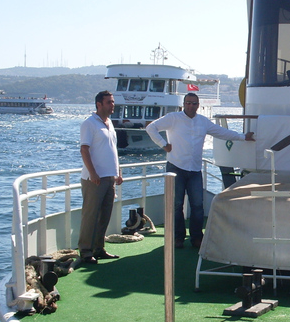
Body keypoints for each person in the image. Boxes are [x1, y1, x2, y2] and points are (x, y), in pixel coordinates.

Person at [146, 92, 249, 248]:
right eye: (188, 103)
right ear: (183, 104)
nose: (191, 106)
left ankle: (196, 238)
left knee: (198, 206)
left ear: (198, 105)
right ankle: (178, 237)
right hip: (176, 167)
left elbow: (222, 132)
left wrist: (243, 137)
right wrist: (163, 144)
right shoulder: (173, 118)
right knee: (176, 205)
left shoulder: (203, 122)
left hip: (194, 169)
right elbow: (151, 127)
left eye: (194, 103)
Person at [78, 90, 123, 264]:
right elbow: (84, 149)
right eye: (109, 102)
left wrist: (118, 172)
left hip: (109, 177)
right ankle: (85, 250)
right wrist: (92, 173)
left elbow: (113, 150)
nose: (113, 105)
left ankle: (99, 248)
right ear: (99, 104)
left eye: (113, 102)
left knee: (105, 215)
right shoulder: (89, 124)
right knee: (90, 215)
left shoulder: (109, 123)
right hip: (95, 179)